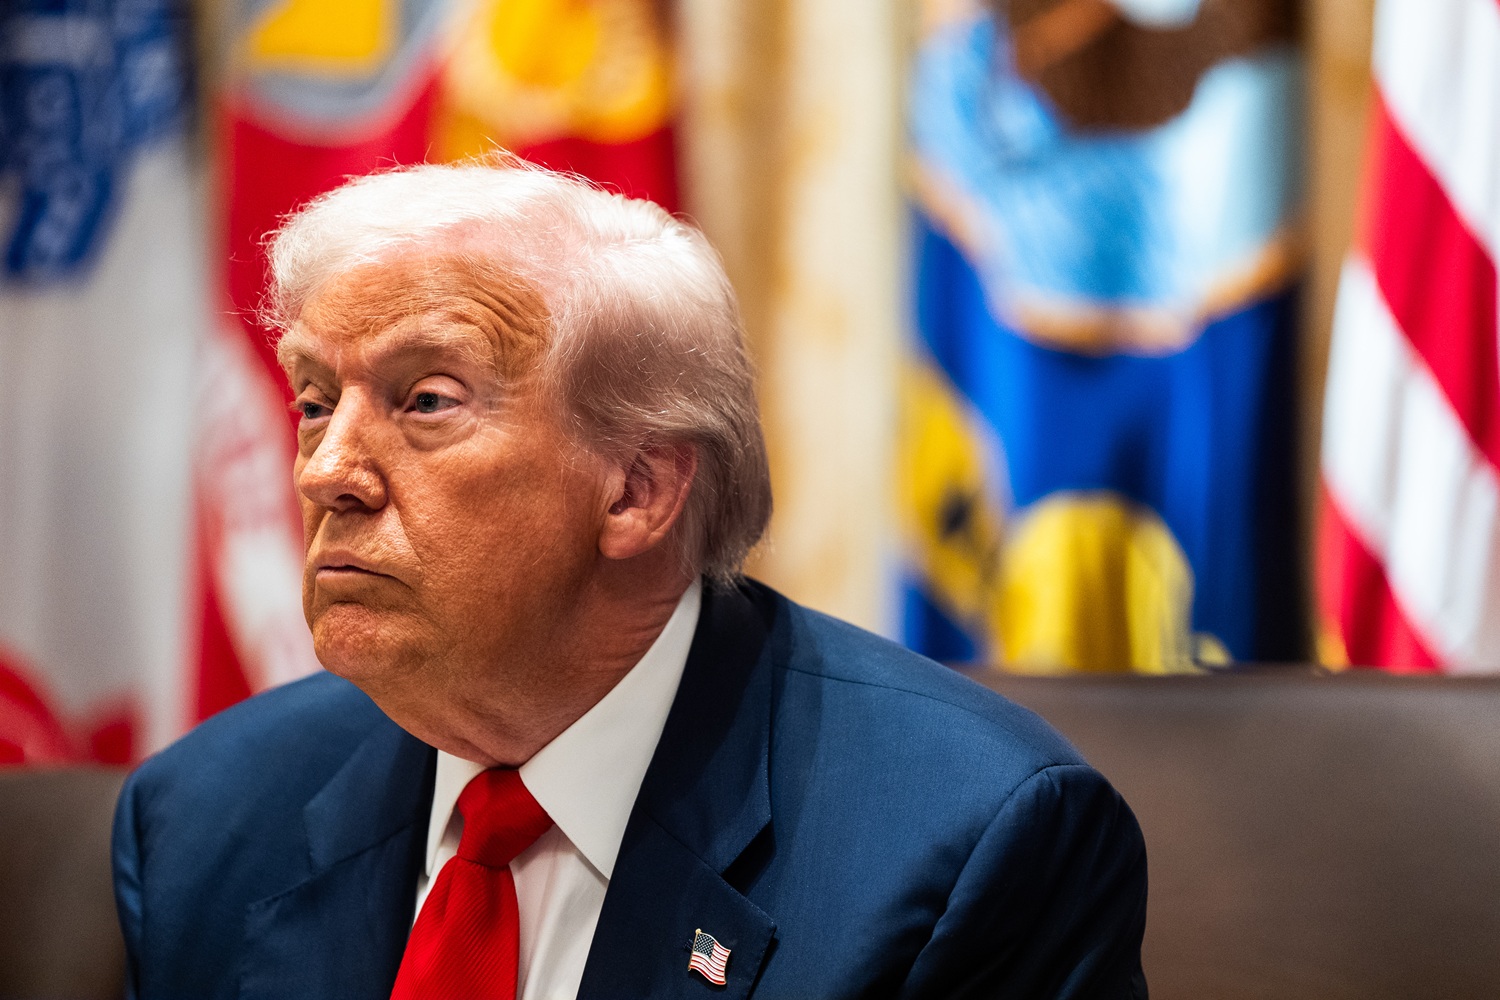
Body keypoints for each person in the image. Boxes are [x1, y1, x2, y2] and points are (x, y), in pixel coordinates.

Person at [112, 159, 1148, 1000]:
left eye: (424, 400)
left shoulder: (968, 847)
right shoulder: (205, 820)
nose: (328, 470)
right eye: (312, 400)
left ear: (636, 491)